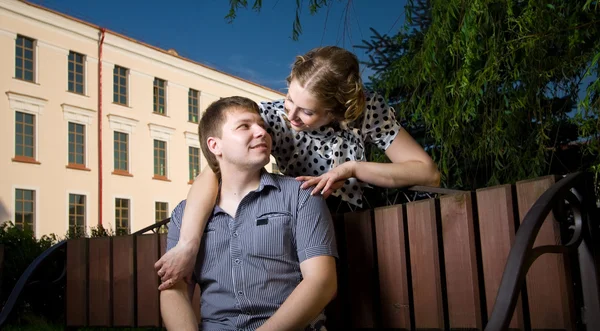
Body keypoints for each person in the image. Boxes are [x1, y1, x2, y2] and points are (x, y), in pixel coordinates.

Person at [155, 45, 440, 289]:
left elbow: (426, 172)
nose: (291, 114)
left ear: (337, 111)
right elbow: (214, 171)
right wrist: (188, 245)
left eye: (307, 111)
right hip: (298, 224)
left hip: (358, 224)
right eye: (289, 98)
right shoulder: (272, 118)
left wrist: (351, 169)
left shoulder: (368, 112)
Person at [160, 96, 338, 331]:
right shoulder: (185, 215)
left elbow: (322, 282)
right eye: (244, 126)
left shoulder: (301, 194)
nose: (261, 132)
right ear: (215, 146)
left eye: (263, 127)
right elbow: (174, 289)